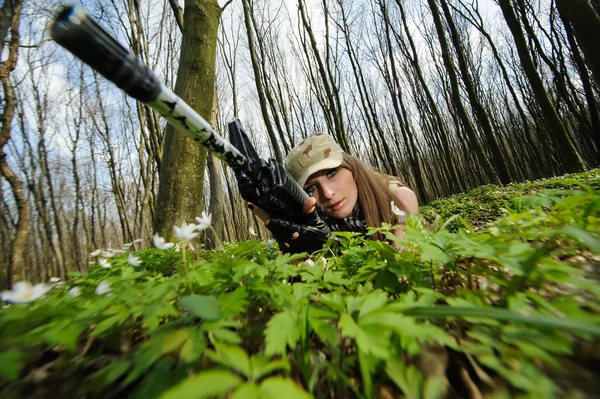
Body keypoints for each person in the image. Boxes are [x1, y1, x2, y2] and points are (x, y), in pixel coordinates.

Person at [249, 133, 419, 253]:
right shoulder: (312, 225)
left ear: (351, 168)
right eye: (311, 188)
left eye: (332, 173)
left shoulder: (396, 198)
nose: (328, 193)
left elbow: (403, 268)